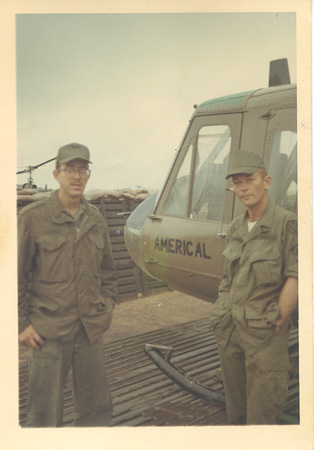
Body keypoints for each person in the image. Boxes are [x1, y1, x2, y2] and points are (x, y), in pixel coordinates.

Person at [18, 143, 118, 427]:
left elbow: (108, 272)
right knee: (43, 416)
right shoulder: (33, 217)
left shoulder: (96, 220)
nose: (77, 176)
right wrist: (21, 325)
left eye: (83, 169)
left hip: (89, 332)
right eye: (70, 169)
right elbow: (13, 276)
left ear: (88, 175)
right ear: (56, 174)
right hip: (48, 332)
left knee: (96, 412)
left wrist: (106, 309)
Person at [209, 150, 298, 425]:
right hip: (231, 331)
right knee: (236, 412)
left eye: (249, 179)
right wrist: (223, 304)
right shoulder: (237, 226)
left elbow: (296, 276)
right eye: (237, 183)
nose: (243, 187)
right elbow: (228, 277)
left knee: (262, 416)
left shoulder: (286, 223)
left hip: (265, 335)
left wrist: (279, 318)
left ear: (267, 181)